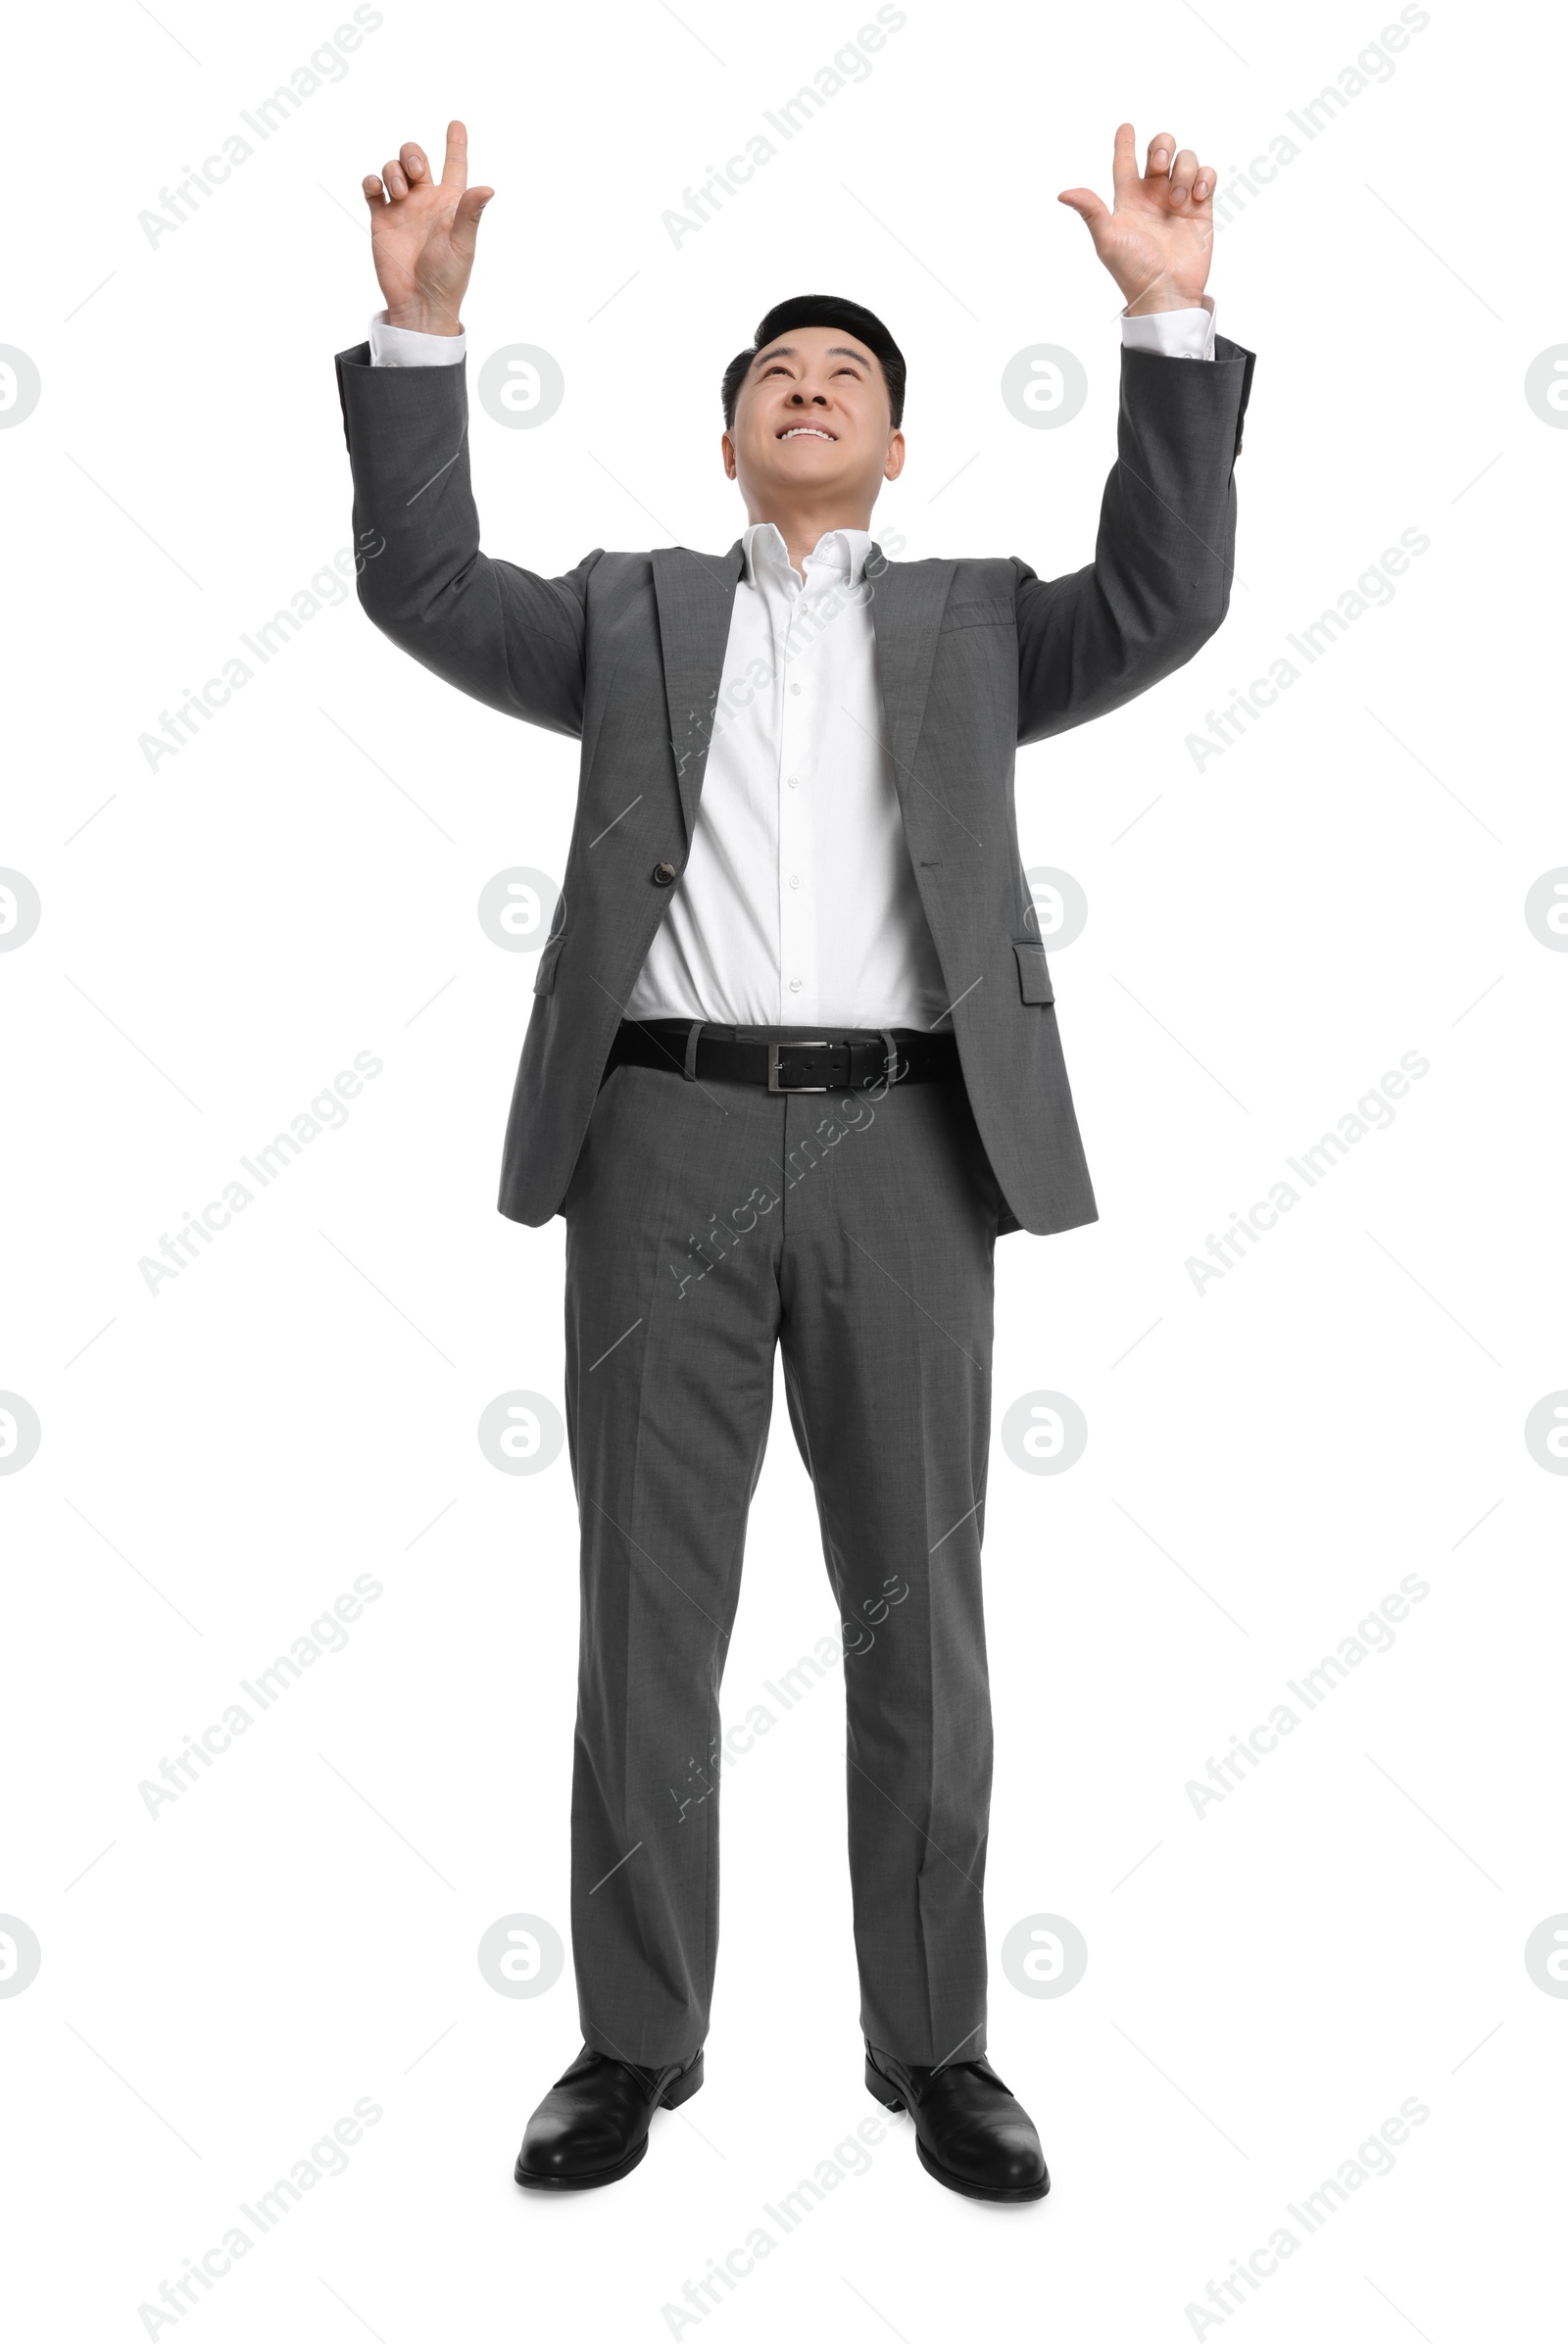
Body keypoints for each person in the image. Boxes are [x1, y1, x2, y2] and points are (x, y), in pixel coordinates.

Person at [334, 119, 1251, 2203]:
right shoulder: (634, 614)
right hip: (653, 1126)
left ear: (899, 443)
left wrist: (1164, 316)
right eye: (773, 374)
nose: (809, 384)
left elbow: (1168, 596)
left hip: (909, 1145)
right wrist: (419, 332)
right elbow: (418, 586)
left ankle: (932, 2042)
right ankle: (629, 2036)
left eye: (846, 372)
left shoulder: (972, 625)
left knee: (916, 1611)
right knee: (643, 1613)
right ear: (732, 441)